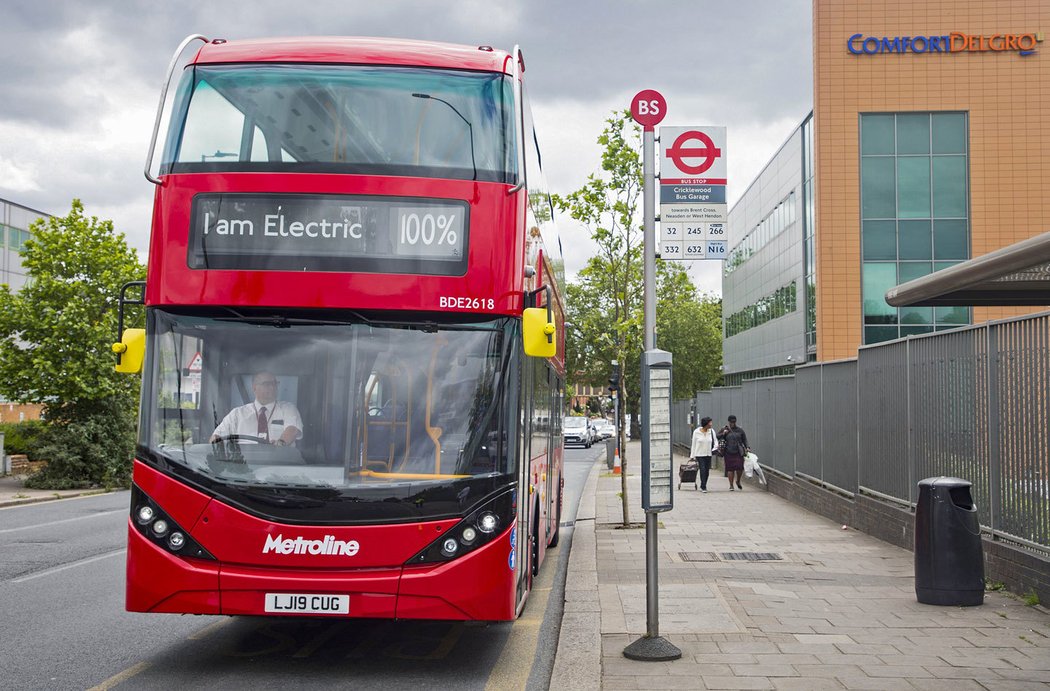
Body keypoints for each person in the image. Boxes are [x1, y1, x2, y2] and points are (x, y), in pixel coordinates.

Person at [210, 371, 303, 446]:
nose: (272, 387)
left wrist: (281, 444)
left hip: (279, 465)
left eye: (274, 383)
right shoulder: (237, 414)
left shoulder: (288, 409)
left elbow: (292, 429)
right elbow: (216, 437)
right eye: (267, 384)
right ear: (254, 388)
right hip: (243, 465)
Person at [718, 414, 749, 491]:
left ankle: (738, 480)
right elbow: (717, 436)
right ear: (728, 422)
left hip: (738, 452)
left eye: (734, 422)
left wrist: (747, 447)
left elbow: (744, 439)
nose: (733, 423)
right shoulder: (725, 429)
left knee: (740, 467)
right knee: (730, 468)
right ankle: (731, 485)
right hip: (728, 451)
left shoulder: (740, 430)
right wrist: (723, 433)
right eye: (731, 422)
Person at [689, 416, 717, 493]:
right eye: (710, 422)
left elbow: (715, 441)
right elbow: (693, 444)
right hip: (699, 454)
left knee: (707, 471)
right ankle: (703, 486)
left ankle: (703, 484)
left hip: (708, 454)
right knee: (703, 469)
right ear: (706, 424)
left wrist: (714, 449)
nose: (711, 424)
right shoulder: (696, 432)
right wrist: (692, 456)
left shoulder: (711, 431)